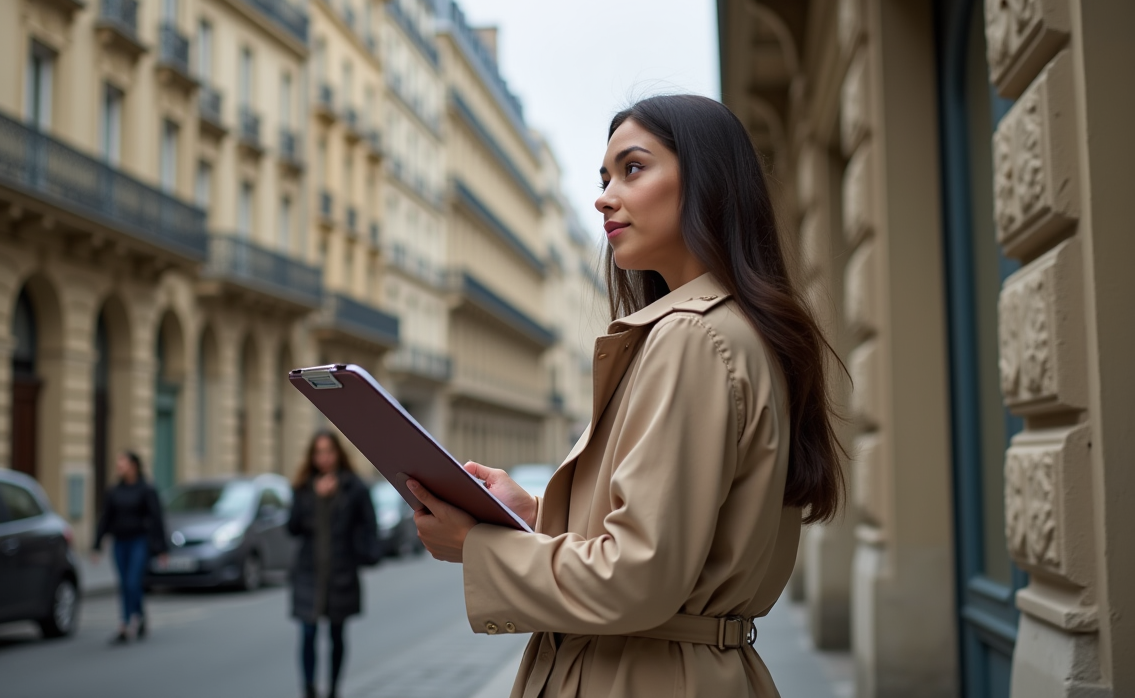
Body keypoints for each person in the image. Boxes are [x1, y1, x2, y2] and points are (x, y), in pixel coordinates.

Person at [406, 94, 847, 698]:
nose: (604, 196)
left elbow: (637, 577)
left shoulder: (692, 338)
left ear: (706, 182)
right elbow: (670, 541)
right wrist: (532, 518)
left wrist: (478, 545)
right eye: (604, 177)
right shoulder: (727, 330)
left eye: (633, 169)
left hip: (644, 676)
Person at [288, 430, 380, 698]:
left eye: (329, 452)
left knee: (337, 635)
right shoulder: (304, 486)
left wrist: (366, 554)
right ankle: (308, 689)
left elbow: (368, 525)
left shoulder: (354, 487)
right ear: (312, 456)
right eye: (318, 452)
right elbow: (292, 527)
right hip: (309, 572)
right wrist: (315, 498)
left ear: (338, 454)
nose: (324, 458)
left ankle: (334, 689)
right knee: (307, 631)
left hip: (341, 572)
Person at [93, 450, 168, 644]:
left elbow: (157, 519)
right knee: (124, 583)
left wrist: (162, 549)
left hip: (139, 541)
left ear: (134, 466)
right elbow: (105, 518)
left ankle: (130, 621)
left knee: (133, 582)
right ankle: (129, 621)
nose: (119, 467)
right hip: (120, 542)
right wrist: (97, 545)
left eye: (122, 463)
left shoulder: (146, 489)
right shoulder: (114, 491)